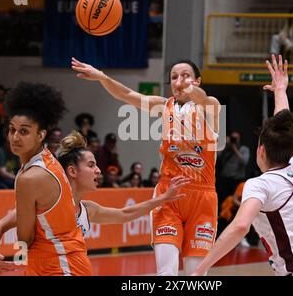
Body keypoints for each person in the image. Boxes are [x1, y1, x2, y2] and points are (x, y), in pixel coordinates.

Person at [192, 55, 293, 276]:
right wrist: (280, 90)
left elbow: (240, 226)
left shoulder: (261, 184)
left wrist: (200, 270)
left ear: (261, 151)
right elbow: (282, 126)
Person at [72, 56, 220, 276]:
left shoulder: (210, 107)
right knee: (166, 273)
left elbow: (203, 98)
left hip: (203, 198)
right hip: (169, 196)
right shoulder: (164, 107)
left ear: (197, 81)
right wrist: (102, 77)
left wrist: (188, 88)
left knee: (195, 275)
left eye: (186, 76)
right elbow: (127, 95)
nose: (178, 81)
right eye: (174, 77)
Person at [0, 131, 189, 273]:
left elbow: (125, 214)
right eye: (91, 165)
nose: (98, 170)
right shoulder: (46, 203)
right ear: (72, 172)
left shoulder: (87, 209)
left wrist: (162, 198)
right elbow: (2, 224)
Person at [4, 81, 91, 276]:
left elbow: (24, 239)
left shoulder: (30, 177)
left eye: (24, 131)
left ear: (41, 134)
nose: (15, 137)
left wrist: (19, 262)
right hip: (66, 262)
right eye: (12, 129)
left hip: (61, 267)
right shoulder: (47, 159)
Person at [216, 130, 250, 209]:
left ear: (240, 139)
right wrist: (223, 144)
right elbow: (216, 156)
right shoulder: (226, 148)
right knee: (223, 201)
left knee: (233, 203)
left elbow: (244, 161)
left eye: (236, 138)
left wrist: (234, 148)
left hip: (236, 181)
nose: (233, 140)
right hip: (224, 180)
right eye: (232, 138)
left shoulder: (243, 149)